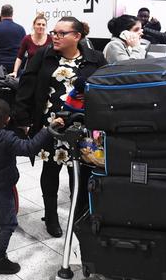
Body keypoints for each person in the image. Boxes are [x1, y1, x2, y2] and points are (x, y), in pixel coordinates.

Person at [13, 16, 107, 237]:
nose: (55, 36)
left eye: (61, 33)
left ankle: (80, 212)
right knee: (50, 170)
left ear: (77, 36)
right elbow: (26, 88)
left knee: (81, 173)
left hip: (84, 127)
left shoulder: (96, 59)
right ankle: (51, 216)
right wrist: (24, 121)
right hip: (51, 126)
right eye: (54, 32)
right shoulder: (43, 56)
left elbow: (106, 90)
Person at [0, 98, 60, 274]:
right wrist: (48, 130)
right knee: (9, 223)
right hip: (1, 190)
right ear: (8, 120)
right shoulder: (6, 138)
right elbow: (30, 148)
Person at [0, 5, 26, 71]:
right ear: (12, 14)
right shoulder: (21, 29)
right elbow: (24, 49)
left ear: (1, 14)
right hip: (15, 66)